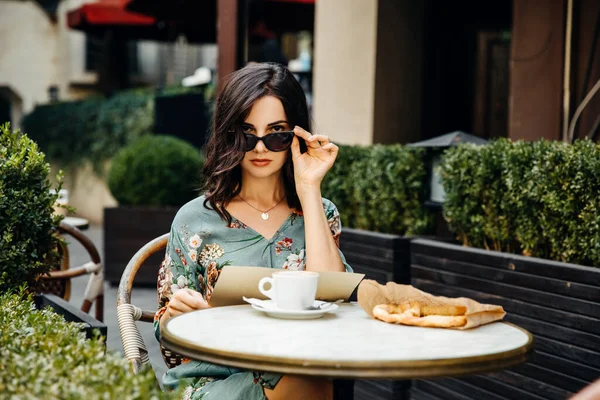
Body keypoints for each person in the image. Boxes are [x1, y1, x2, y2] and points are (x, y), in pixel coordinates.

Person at [153, 62, 353, 400]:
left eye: (276, 133)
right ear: (229, 135)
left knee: (314, 379)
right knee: (313, 385)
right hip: (214, 376)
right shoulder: (195, 220)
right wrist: (175, 313)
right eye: (246, 133)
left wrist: (309, 189)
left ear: (296, 135)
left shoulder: (320, 212)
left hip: (298, 366)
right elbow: (165, 333)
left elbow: (332, 296)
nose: (260, 147)